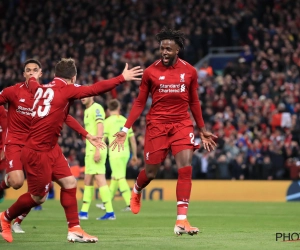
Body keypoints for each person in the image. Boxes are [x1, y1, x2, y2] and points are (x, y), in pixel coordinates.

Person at [0, 58, 142, 243]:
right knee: (38, 197)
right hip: (37, 151)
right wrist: (122, 77)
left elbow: (61, 113)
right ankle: (6, 217)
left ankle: (74, 229)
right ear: (73, 77)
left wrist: (87, 135)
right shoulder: (67, 89)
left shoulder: (42, 89)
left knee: (69, 183)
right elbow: (95, 89)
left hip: (51, 148)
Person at [110, 28, 217, 236]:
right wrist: (125, 129)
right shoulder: (151, 72)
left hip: (181, 124)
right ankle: (137, 188)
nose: (164, 52)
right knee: (151, 173)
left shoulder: (190, 72)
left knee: (185, 167)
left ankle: (181, 220)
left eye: (168, 48)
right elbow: (140, 102)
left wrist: (202, 129)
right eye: (162, 48)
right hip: (157, 125)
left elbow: (194, 101)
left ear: (178, 49)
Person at [0, 59, 100, 234]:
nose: (31, 73)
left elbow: (65, 116)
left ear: (41, 73)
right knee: (17, 182)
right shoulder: (13, 91)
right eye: (28, 70)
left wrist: (86, 134)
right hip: (16, 142)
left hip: (38, 145)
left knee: (41, 195)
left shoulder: (45, 92)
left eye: (35, 70)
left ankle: (16, 220)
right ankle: (5, 192)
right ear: (24, 74)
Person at [96, 99, 137, 212]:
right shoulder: (125, 120)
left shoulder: (107, 121)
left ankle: (131, 203)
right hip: (125, 153)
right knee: (115, 178)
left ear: (108, 110)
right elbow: (132, 139)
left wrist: (98, 151)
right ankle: (106, 203)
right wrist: (135, 155)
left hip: (115, 153)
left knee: (120, 178)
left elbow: (103, 139)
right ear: (119, 108)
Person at [78, 96, 115, 220]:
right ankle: (84, 212)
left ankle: (110, 212)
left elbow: (100, 129)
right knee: (88, 180)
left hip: (96, 149)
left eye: (85, 95)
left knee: (100, 179)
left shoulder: (97, 108)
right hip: (90, 149)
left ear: (92, 96)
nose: (82, 98)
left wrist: (98, 149)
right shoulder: (87, 110)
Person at [0, 106, 7, 202]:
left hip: (2, 147)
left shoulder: (2, 111)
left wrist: (4, 149)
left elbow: (6, 130)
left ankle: (1, 190)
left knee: (4, 173)